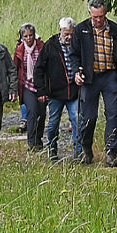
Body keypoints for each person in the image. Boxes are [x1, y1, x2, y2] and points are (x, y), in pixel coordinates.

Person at [73, 0, 117, 167]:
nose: (98, 20)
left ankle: (111, 153)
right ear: (90, 14)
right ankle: (86, 150)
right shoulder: (81, 29)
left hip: (110, 76)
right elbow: (74, 55)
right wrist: (77, 73)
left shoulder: (114, 30)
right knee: (89, 117)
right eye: (95, 17)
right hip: (90, 78)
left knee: (113, 114)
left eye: (101, 16)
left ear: (105, 13)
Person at [35, 17, 82, 163]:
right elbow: (39, 69)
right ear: (60, 31)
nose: (68, 37)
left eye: (71, 34)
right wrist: (41, 91)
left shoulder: (78, 45)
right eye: (66, 33)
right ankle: (52, 149)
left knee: (77, 119)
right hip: (55, 92)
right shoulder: (50, 46)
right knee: (53, 122)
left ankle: (79, 152)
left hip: (74, 91)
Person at [13, 22, 46, 151]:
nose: (28, 38)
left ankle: (39, 139)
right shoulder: (20, 50)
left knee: (42, 113)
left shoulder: (42, 47)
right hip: (27, 85)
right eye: (25, 36)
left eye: (30, 35)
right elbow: (15, 68)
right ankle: (31, 142)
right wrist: (14, 88)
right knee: (32, 111)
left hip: (41, 85)